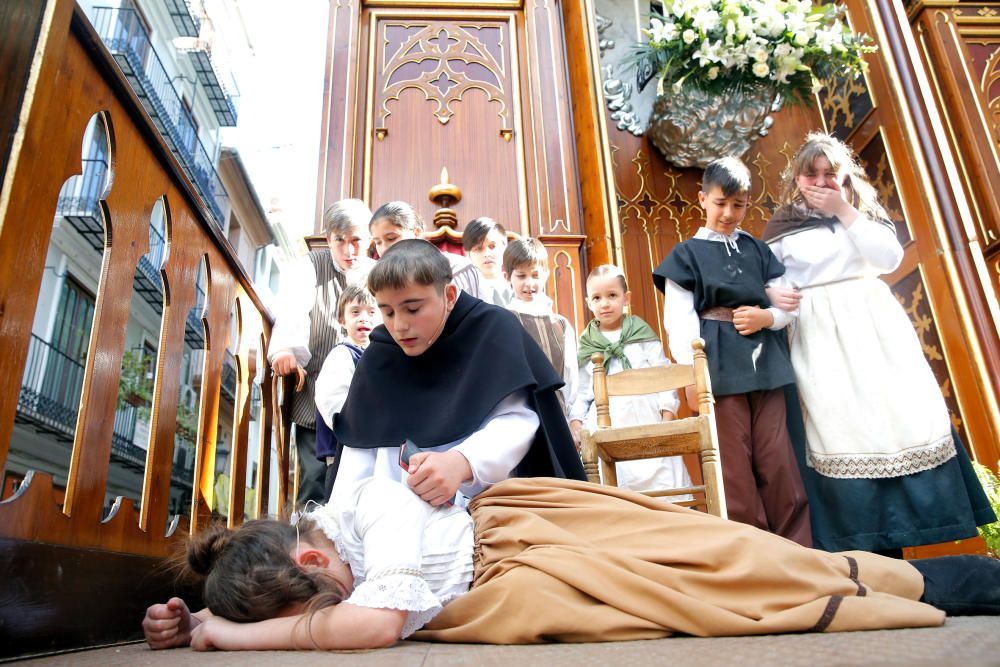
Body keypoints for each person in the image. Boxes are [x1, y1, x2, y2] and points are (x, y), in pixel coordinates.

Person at [142, 476, 1000, 651]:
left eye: (312, 607)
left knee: (743, 563)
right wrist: (191, 620)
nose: (321, 622)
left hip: (533, 535)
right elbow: (326, 611)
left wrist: (238, 639)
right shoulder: (315, 557)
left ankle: (958, 582)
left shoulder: (376, 508)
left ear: (318, 556)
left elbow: (363, 625)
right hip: (510, 584)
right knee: (683, 602)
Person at [762, 132, 994, 554]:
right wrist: (773, 294)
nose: (820, 181)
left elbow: (888, 260)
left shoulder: (863, 215)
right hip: (818, 334)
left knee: (893, 420)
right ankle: (859, 546)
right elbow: (774, 282)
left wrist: (844, 210)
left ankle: (906, 541)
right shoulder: (783, 225)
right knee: (837, 428)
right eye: (810, 174)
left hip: (874, 329)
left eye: (830, 173)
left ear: (845, 175)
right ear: (796, 178)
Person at [329, 239, 585, 509]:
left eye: (413, 309)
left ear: (449, 296)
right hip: (390, 517)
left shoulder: (494, 330)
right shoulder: (378, 357)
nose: (400, 325)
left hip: (487, 509)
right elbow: (358, 451)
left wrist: (463, 461)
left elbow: (518, 420)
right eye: (388, 312)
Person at [652, 157, 811, 546]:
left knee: (779, 461)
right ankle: (754, 554)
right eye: (721, 202)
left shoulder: (758, 250)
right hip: (717, 366)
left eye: (738, 205)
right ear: (703, 198)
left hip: (766, 363)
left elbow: (790, 305)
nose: (728, 213)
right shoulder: (686, 255)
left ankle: (799, 552)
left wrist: (767, 318)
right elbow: (679, 320)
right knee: (733, 467)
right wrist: (694, 372)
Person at [269, 199, 376, 506]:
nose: (348, 250)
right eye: (339, 241)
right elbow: (293, 311)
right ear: (328, 239)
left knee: (365, 482)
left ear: (368, 239)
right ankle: (310, 548)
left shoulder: (379, 273)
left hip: (369, 394)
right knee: (314, 481)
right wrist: (286, 350)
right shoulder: (310, 267)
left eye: (356, 240)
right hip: (315, 393)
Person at [570, 265, 691, 494]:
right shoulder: (587, 343)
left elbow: (661, 371)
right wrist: (576, 420)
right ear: (588, 303)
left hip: (647, 417)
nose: (604, 303)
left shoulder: (640, 332)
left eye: (612, 295)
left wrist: (667, 410)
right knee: (620, 480)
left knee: (662, 475)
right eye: (597, 298)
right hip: (609, 421)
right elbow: (583, 390)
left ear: (626, 298)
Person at [313, 284, 378, 499]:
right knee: (342, 507)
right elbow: (331, 399)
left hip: (368, 451)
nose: (364, 319)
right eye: (355, 312)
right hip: (343, 450)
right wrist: (349, 427)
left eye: (371, 312)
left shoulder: (376, 357)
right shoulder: (342, 355)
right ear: (342, 320)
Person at [502, 238, 578, 416]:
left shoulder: (561, 325)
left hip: (558, 414)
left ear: (546, 274)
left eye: (535, 275)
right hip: (519, 414)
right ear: (507, 277)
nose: (529, 283)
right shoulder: (503, 321)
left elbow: (571, 379)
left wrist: (574, 418)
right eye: (521, 276)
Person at [369, 201, 485, 299]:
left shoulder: (460, 269)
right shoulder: (377, 282)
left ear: (417, 233)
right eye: (378, 242)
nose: (384, 249)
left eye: (391, 238)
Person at [463, 216, 512, 306]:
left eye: (492, 246)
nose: (487, 254)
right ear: (467, 254)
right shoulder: (461, 294)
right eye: (478, 248)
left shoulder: (520, 287)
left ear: (505, 248)